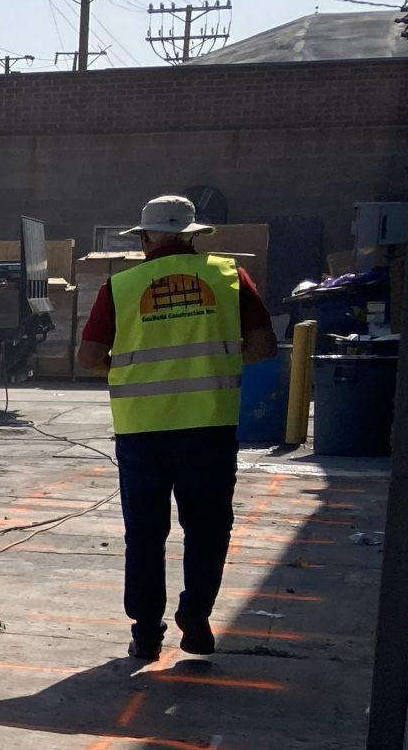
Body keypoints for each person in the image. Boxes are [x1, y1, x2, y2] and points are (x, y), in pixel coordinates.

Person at [75, 192, 278, 662]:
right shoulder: (229, 277)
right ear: (192, 237)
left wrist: (133, 369)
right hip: (208, 427)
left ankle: (147, 633)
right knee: (207, 528)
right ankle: (196, 618)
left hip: (142, 431)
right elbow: (263, 346)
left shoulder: (122, 286)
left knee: (145, 533)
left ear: (145, 238)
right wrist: (213, 360)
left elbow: (88, 358)